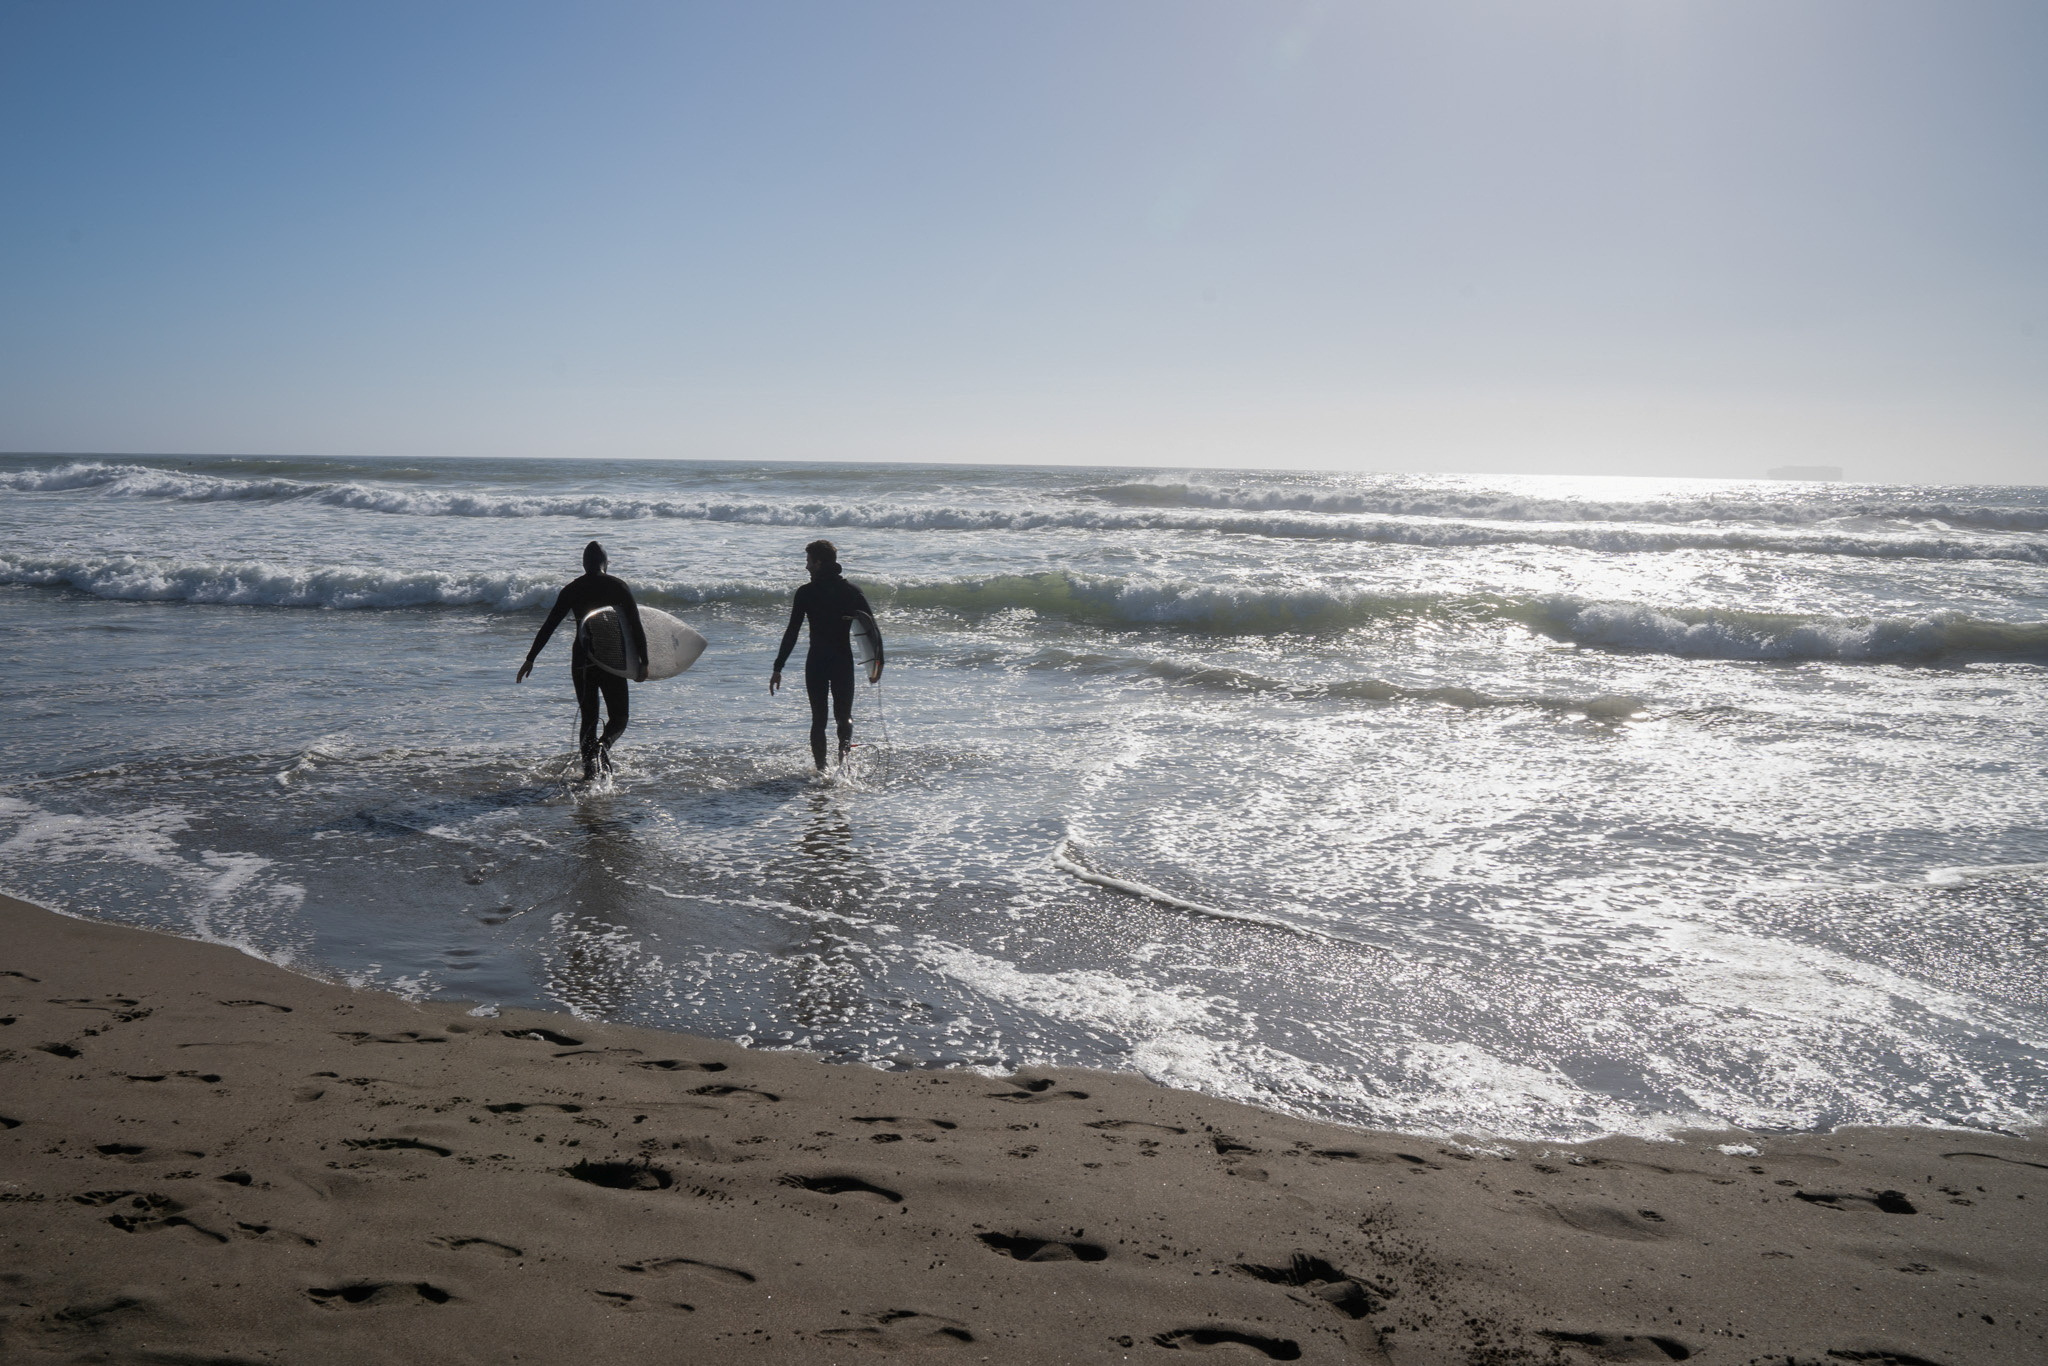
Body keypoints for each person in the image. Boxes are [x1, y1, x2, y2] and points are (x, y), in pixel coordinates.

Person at [516, 540, 648, 780]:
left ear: (584, 564)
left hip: (582, 658)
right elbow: (635, 625)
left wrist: (531, 658)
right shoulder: (617, 586)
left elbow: (550, 625)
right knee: (620, 717)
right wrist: (644, 661)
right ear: (605, 563)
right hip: (611, 657)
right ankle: (603, 747)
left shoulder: (572, 588)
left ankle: (589, 774)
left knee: (588, 717)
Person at [770, 539, 883, 770]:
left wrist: (778, 667)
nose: (806, 567)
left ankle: (821, 771)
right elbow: (873, 631)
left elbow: (792, 631)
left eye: (808, 561)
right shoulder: (852, 591)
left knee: (818, 720)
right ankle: (844, 767)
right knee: (844, 716)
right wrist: (876, 666)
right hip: (842, 661)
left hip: (817, 662)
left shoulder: (806, 593)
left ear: (818, 562)